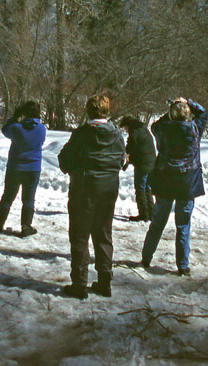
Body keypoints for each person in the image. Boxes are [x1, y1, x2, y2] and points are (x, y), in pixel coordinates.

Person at [58, 94, 125, 300]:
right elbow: (122, 160)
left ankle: (79, 284)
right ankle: (105, 282)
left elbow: (65, 161)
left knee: (80, 235)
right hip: (109, 188)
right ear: (107, 111)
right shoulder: (117, 135)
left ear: (89, 111)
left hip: (84, 189)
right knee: (103, 233)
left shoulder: (82, 134)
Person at [141, 96, 208, 276]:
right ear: (188, 115)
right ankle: (183, 266)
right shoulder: (195, 129)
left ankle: (146, 258)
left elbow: (154, 125)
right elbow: (203, 113)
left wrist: (171, 108)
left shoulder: (162, 129)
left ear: (170, 115)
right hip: (187, 183)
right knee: (183, 225)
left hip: (165, 181)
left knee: (157, 223)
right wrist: (188, 101)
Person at [0, 100, 46, 238]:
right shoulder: (42, 129)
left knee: (8, 196)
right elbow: (40, 142)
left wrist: (14, 118)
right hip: (33, 168)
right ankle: (26, 227)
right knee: (28, 199)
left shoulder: (16, 128)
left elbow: (4, 130)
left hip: (15, 167)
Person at [119, 116, 156, 221]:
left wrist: (126, 159)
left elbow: (130, 148)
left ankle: (143, 214)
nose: (125, 130)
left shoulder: (134, 132)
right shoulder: (144, 129)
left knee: (140, 189)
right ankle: (151, 213)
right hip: (151, 163)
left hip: (142, 165)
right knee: (147, 188)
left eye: (125, 128)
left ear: (128, 125)